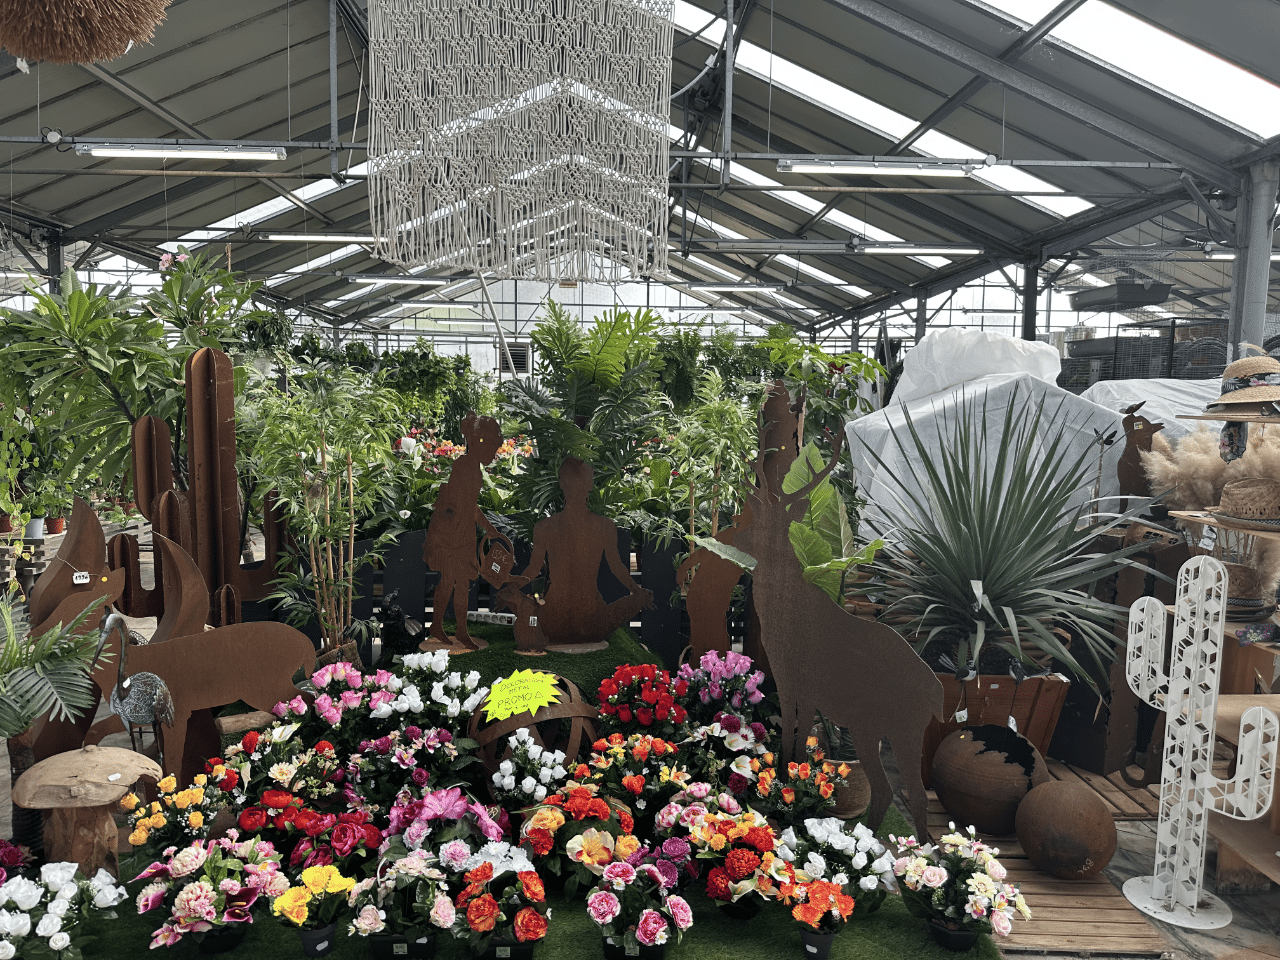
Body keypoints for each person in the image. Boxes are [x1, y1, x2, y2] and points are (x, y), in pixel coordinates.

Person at [516, 457, 652, 646]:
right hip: (592, 623)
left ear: (561, 483)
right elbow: (617, 567)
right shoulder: (604, 526)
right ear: (590, 484)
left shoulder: (545, 527)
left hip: (552, 623)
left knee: (521, 604)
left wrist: (511, 589)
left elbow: (532, 570)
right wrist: (637, 591)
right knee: (638, 599)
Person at [422, 413, 510, 649]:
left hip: (463, 531)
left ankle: (458, 629)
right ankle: (440, 626)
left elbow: (470, 506)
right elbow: (466, 506)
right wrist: (488, 527)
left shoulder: (472, 467)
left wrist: (488, 528)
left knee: (460, 582)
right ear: (479, 443)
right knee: (450, 579)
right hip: (453, 533)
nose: (493, 453)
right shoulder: (465, 466)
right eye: (491, 448)